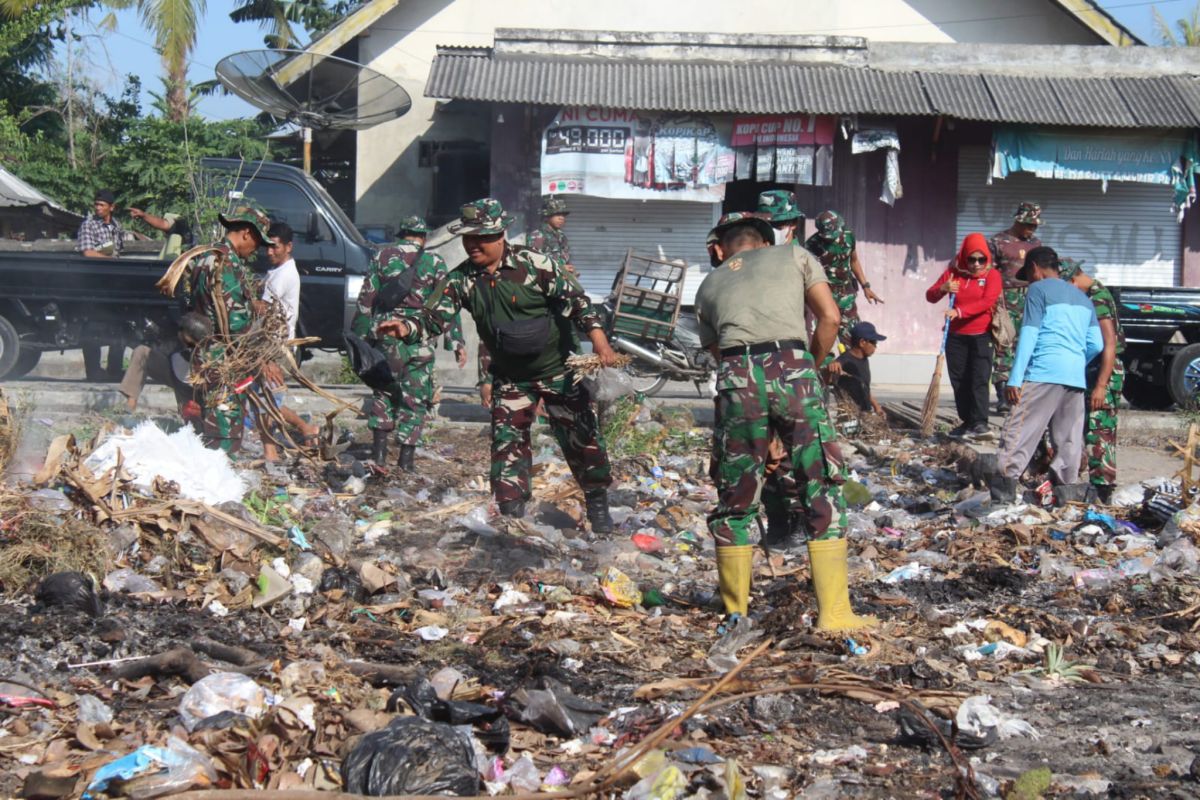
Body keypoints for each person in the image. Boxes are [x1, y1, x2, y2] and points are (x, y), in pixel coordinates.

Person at [377, 198, 619, 533]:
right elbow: (434, 318)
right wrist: (406, 328)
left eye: (481, 237)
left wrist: (598, 339)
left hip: (558, 372)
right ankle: (513, 523)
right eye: (468, 238)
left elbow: (577, 302)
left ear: (500, 234)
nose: (473, 244)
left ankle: (599, 512)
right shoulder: (462, 278)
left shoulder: (535, 264)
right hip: (511, 378)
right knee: (507, 449)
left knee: (583, 440)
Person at [694, 211, 875, 631]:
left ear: (721, 248)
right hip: (792, 365)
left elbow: (719, 353)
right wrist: (806, 366)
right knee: (819, 481)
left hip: (736, 377)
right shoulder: (794, 255)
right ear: (765, 239)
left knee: (737, 493)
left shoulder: (708, 284)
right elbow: (830, 318)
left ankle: (735, 613)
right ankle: (835, 614)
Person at [990, 247, 1103, 502]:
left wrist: (1015, 378)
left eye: (1028, 275)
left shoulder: (1038, 290)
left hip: (1044, 372)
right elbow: (1096, 344)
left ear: (1034, 269)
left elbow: (1029, 333)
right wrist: (1074, 361)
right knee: (1069, 439)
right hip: (1074, 378)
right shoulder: (1083, 298)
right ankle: (1065, 497)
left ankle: (1002, 496)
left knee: (1020, 431)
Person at [351, 223, 465, 470]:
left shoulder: (382, 256)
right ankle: (406, 461)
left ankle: (379, 456)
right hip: (419, 338)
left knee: (384, 391)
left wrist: (360, 338)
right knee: (415, 398)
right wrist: (456, 342)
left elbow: (366, 299)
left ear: (400, 234)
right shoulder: (434, 261)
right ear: (423, 237)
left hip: (386, 335)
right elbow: (446, 305)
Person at [186, 205, 272, 454]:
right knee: (224, 429)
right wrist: (259, 355)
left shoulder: (205, 257)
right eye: (257, 241)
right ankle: (220, 482)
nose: (257, 249)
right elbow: (235, 325)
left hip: (205, 357)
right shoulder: (227, 264)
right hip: (225, 363)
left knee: (210, 423)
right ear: (246, 233)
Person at [251, 222, 320, 461]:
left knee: (267, 403)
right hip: (268, 345)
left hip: (275, 347)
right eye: (267, 247)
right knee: (262, 401)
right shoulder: (276, 271)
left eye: (275, 247)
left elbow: (266, 311)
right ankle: (304, 429)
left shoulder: (285, 274)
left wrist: (241, 297)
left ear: (289, 247)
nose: (269, 252)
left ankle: (275, 451)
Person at [925, 233, 1002, 438]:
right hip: (956, 336)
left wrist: (960, 312)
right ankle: (967, 420)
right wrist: (943, 288)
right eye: (972, 259)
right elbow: (930, 296)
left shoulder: (992, 276)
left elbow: (987, 301)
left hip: (981, 336)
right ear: (964, 257)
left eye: (981, 259)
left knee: (979, 378)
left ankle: (979, 422)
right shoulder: (953, 273)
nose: (976, 264)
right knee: (959, 379)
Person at [1060, 258, 1124, 503]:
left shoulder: (1098, 298)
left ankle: (1103, 488)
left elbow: (1110, 344)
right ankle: (1083, 479)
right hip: (1093, 369)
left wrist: (1100, 385)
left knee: (1100, 429)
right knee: (1083, 425)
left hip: (1105, 371)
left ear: (1074, 279)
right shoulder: (1092, 294)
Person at [989, 202, 1043, 413]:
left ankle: (1022, 393)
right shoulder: (998, 242)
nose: (1031, 230)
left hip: (1030, 298)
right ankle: (1003, 393)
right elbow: (990, 272)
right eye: (1028, 224)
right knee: (1004, 344)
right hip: (1005, 298)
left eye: (1035, 226)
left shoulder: (1036, 244)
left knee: (1027, 345)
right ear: (1018, 220)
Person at [806, 210, 884, 345]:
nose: (833, 238)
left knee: (852, 338)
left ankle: (850, 365)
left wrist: (866, 286)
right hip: (824, 296)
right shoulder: (811, 245)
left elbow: (854, 261)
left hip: (846, 294)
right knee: (824, 338)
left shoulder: (848, 236)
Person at [118, 311, 211, 419]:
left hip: (191, 388)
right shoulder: (175, 333)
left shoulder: (207, 350)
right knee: (142, 352)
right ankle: (130, 404)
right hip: (172, 374)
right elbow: (163, 350)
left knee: (195, 429)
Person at [77, 188, 126, 381]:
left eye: (102, 205)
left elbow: (119, 250)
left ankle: (114, 369)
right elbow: (88, 253)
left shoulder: (117, 226)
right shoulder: (89, 225)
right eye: (96, 204)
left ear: (111, 208)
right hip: (92, 282)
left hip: (113, 283)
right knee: (91, 327)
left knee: (121, 325)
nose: (98, 208)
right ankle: (93, 371)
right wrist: (111, 260)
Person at [830, 321, 887, 416]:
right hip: (850, 416)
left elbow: (865, 388)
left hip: (865, 414)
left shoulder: (864, 359)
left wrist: (877, 407)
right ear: (862, 342)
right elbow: (834, 368)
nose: (875, 347)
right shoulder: (845, 360)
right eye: (874, 343)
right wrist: (833, 365)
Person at [527, 197, 575, 273]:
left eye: (563, 215)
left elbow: (565, 258)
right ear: (547, 216)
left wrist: (570, 270)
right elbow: (533, 262)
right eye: (557, 214)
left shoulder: (562, 236)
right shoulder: (537, 236)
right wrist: (560, 268)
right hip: (544, 281)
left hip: (560, 279)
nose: (561, 218)